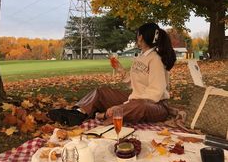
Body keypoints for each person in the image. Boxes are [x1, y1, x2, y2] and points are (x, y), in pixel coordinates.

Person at [48, 22, 176, 126]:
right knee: (101, 92)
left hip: (155, 105)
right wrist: (120, 69)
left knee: (139, 105)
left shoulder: (156, 59)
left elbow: (156, 91)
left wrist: (125, 104)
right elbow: (135, 84)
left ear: (141, 36)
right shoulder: (141, 57)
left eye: (137, 35)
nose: (136, 37)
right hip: (135, 99)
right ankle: (78, 113)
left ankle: (105, 115)